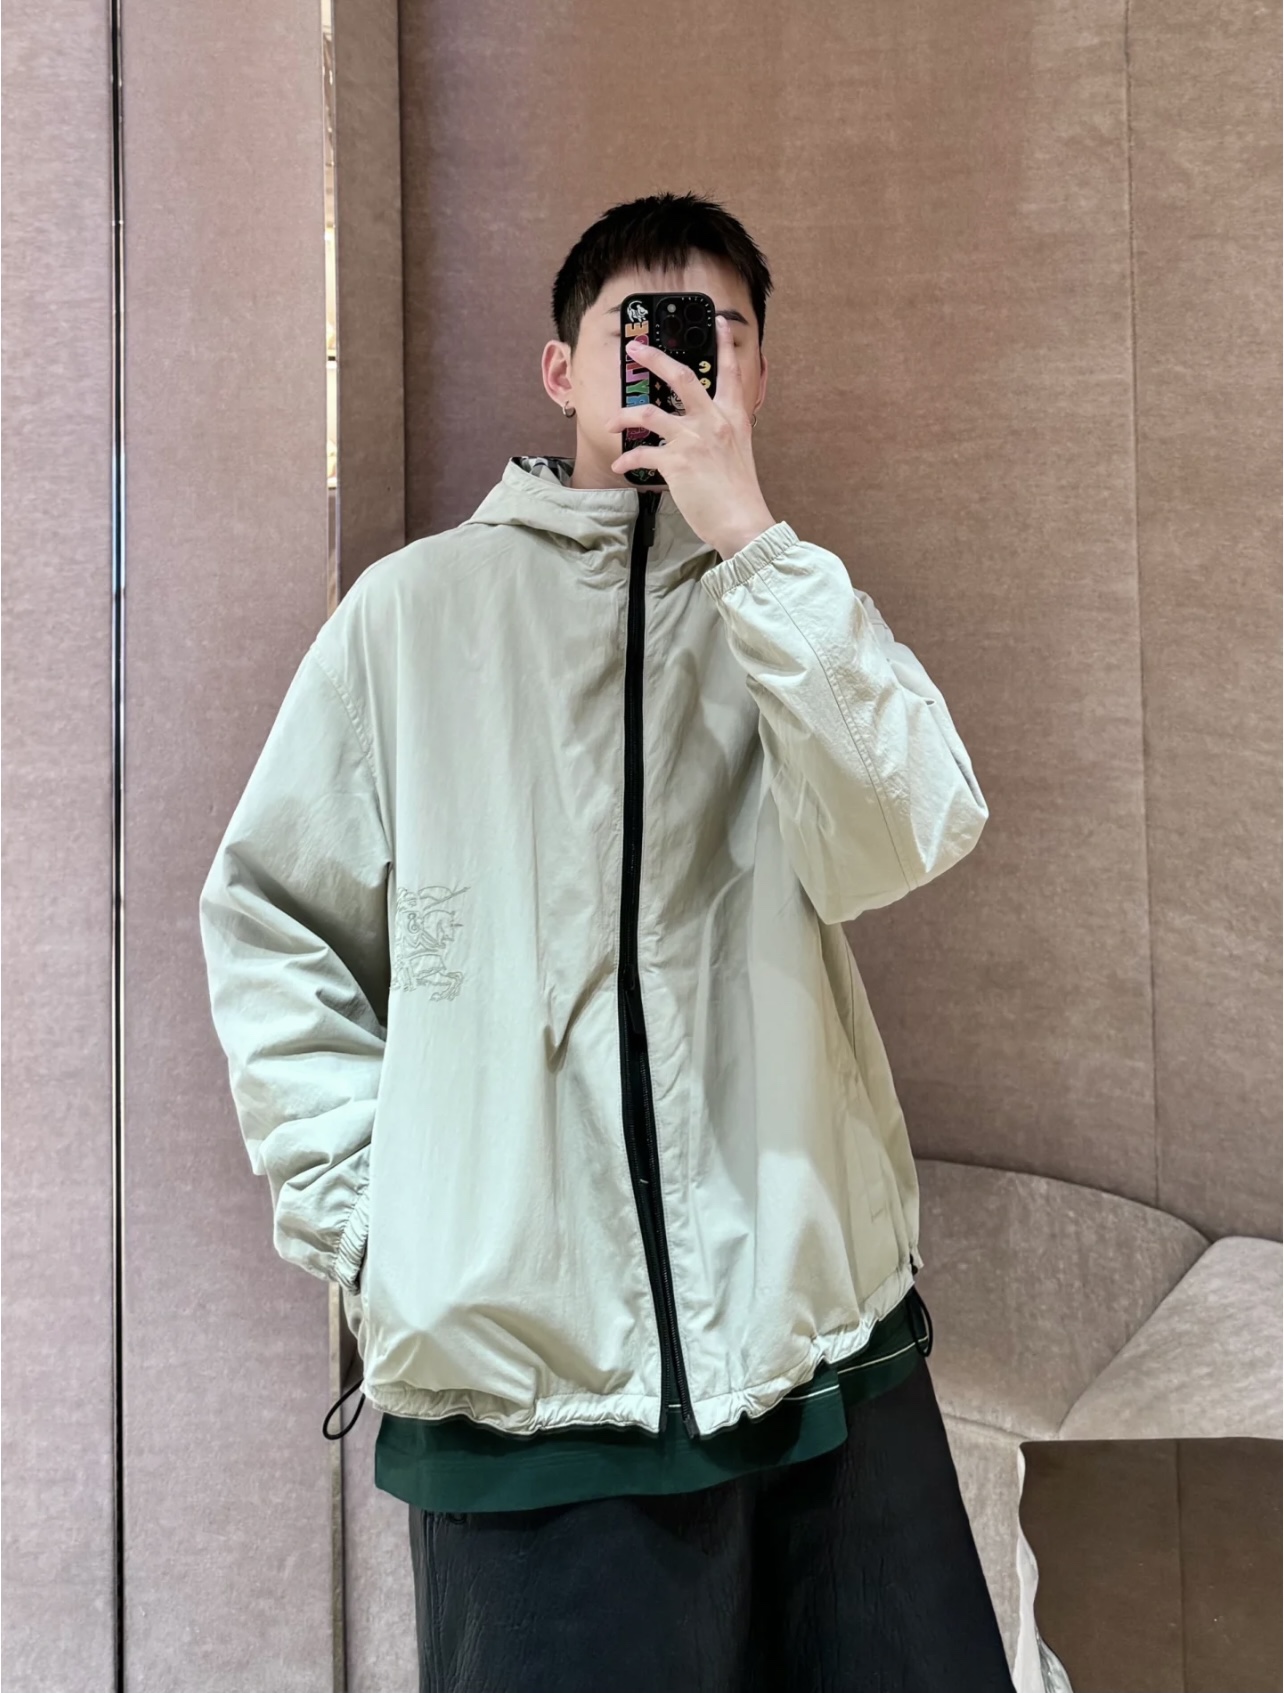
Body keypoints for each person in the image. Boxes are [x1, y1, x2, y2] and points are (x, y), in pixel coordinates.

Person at [199, 191, 1016, 1692]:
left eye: (716, 340)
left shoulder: (788, 611)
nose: (676, 371)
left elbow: (905, 834)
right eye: (636, 338)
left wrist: (750, 540)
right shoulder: (412, 615)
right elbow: (271, 924)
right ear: (562, 369)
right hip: (526, 1399)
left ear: (756, 377)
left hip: (821, 1355)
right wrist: (378, 1229)